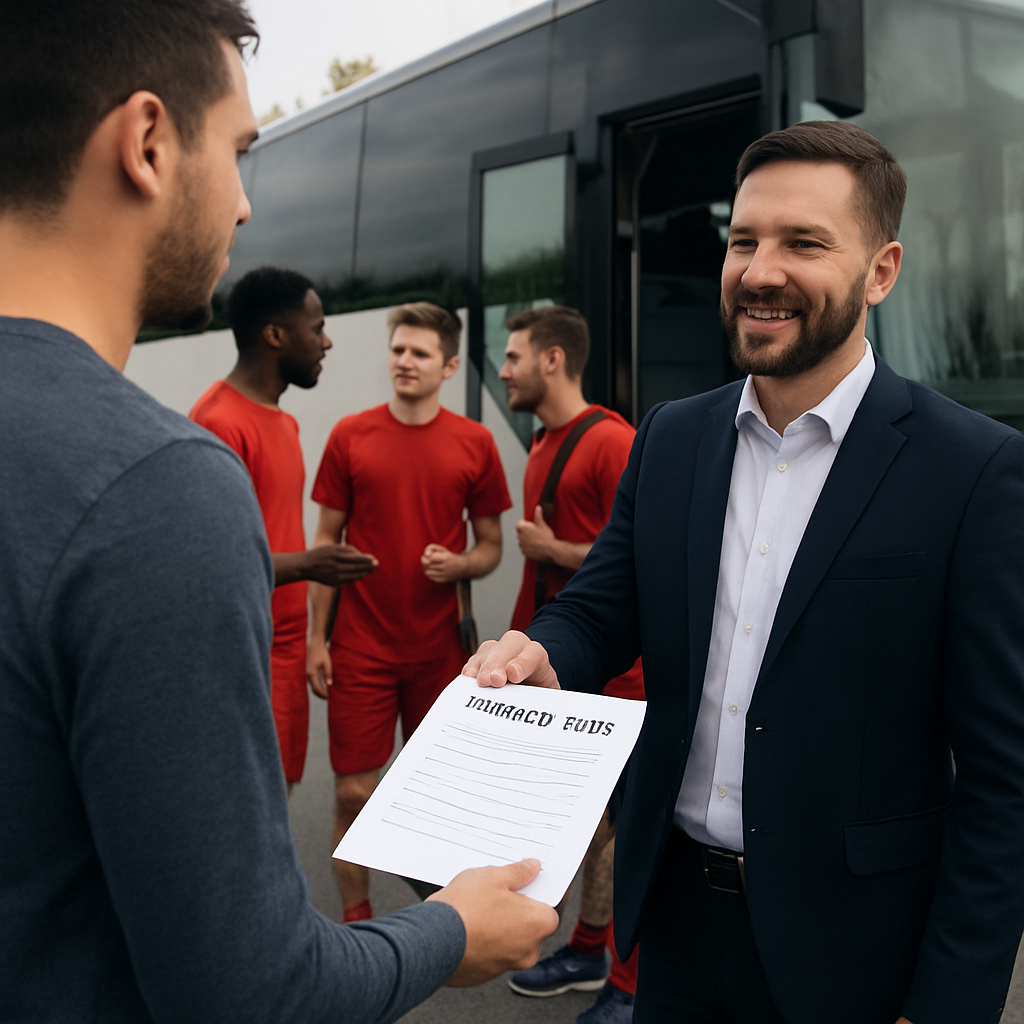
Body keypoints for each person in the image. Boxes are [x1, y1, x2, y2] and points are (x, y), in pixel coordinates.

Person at [0, 2, 557, 1021]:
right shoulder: (157, 484)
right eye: (241, 150)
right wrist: (449, 932)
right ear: (149, 142)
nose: (247, 204)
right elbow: (249, 991)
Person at [466, 120, 1024, 1024]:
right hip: (677, 928)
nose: (761, 271)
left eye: (804, 242)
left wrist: (947, 1003)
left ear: (881, 272)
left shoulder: (974, 470)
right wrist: (541, 652)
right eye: (743, 240)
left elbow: (1005, 781)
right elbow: (602, 609)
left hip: (856, 952)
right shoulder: (673, 436)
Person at [306, 301, 513, 923]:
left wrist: (461, 565)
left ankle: (446, 922)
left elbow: (491, 547)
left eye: (419, 353)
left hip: (438, 654)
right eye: (398, 349)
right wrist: (317, 638)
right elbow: (323, 544)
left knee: (440, 798)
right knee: (351, 791)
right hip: (360, 645)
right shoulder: (350, 434)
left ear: (449, 365)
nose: (404, 361)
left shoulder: (474, 442)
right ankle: (357, 923)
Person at [497, 305, 643, 1024]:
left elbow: (639, 564)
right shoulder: (541, 445)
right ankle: (589, 950)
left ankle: (629, 982)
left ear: (553, 360)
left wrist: (552, 552)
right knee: (591, 829)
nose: (503, 370)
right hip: (565, 676)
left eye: (514, 356)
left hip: (620, 684)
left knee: (627, 828)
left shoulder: (613, 442)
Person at [190, 266, 378, 791]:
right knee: (254, 799)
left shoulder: (283, 420)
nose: (328, 340)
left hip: (288, 645)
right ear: (275, 335)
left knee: (283, 791)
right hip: (246, 648)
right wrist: (311, 565)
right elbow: (210, 562)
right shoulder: (217, 422)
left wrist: (314, 634)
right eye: (316, 328)